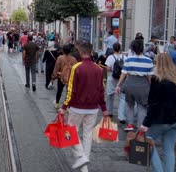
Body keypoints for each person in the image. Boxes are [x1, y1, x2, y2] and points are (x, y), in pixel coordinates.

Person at [59, 41, 109, 171]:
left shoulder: (77, 68)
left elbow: (71, 90)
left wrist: (64, 107)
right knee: (87, 135)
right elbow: (101, 90)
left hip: (77, 107)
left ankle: (81, 158)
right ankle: (84, 165)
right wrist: (104, 109)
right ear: (91, 52)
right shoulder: (99, 69)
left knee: (71, 132)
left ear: (80, 52)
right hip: (93, 109)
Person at [139, 53, 176, 172]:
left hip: (160, 120)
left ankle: (159, 170)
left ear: (158, 64)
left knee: (148, 142)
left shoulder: (157, 80)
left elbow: (153, 103)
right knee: (168, 150)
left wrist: (146, 123)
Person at [116, 39, 154, 131]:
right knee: (142, 107)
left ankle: (130, 125)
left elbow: (124, 73)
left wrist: (118, 85)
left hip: (130, 84)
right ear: (142, 49)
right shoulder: (148, 61)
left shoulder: (129, 59)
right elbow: (149, 77)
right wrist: (152, 88)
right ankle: (140, 126)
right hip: (143, 85)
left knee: (129, 105)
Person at [52, 44, 77, 109]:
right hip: (70, 78)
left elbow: (56, 68)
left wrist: (54, 76)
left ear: (63, 50)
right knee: (68, 92)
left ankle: (57, 103)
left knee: (59, 91)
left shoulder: (60, 58)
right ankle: (67, 106)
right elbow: (76, 69)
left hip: (61, 77)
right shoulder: (74, 59)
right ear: (70, 51)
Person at [104, 42, 125, 119]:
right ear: (120, 49)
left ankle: (110, 112)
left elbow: (108, 68)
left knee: (110, 96)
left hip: (111, 77)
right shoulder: (124, 57)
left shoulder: (110, 57)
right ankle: (121, 116)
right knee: (122, 97)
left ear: (113, 49)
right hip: (121, 78)